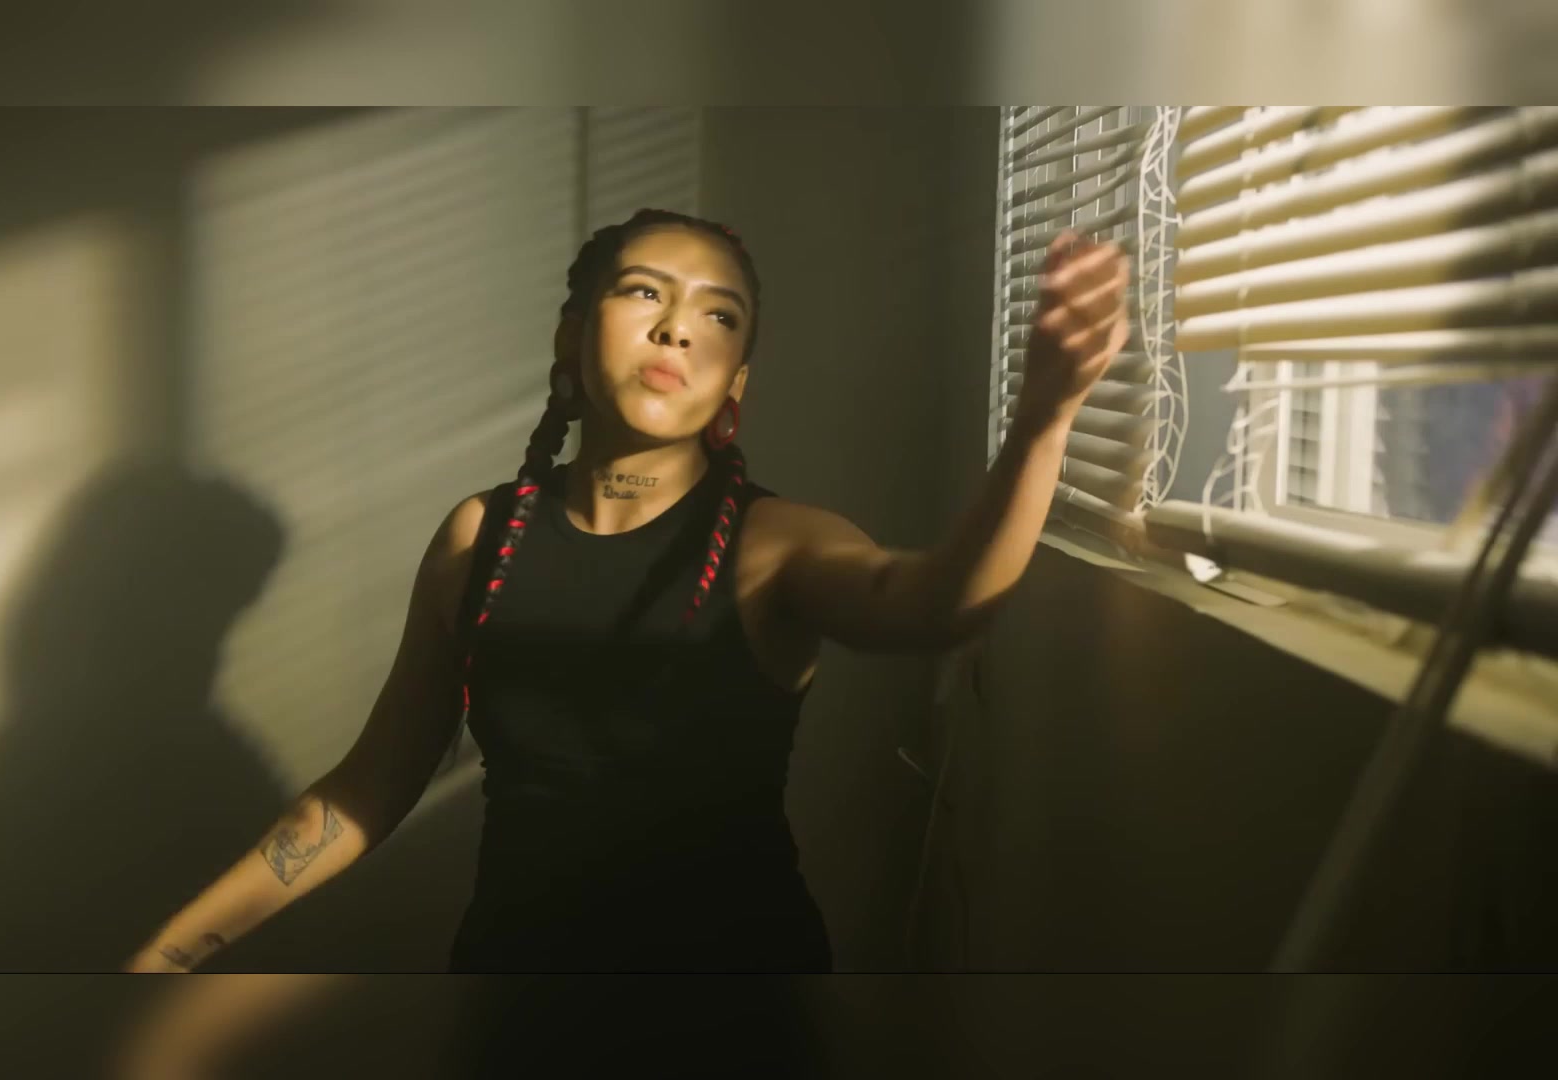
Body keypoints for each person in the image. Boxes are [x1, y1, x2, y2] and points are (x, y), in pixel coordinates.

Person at [120, 208, 1127, 1066]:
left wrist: (1044, 421)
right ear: (570, 337)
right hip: (515, 1016)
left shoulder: (775, 544)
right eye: (645, 292)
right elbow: (366, 789)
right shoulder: (480, 538)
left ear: (736, 382)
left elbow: (938, 602)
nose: (679, 326)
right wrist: (173, 951)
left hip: (733, 1026)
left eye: (719, 315)